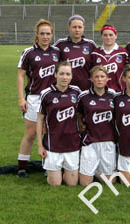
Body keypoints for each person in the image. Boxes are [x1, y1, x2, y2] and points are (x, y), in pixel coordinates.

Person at [16, 19, 61, 178]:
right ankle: (22, 166)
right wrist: (21, 99)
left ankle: (47, 166)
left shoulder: (57, 52)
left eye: (48, 33)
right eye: (42, 33)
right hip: (34, 98)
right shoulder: (29, 52)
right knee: (31, 134)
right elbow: (21, 75)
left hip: (52, 98)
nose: (45, 36)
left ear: (52, 34)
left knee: (49, 132)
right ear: (37, 34)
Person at [36, 61, 82, 186]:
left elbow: (81, 115)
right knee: (55, 184)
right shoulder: (46, 94)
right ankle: (53, 172)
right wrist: (40, 146)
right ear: (55, 74)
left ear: (72, 76)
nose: (65, 77)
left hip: (72, 143)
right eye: (61, 74)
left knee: (72, 184)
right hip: (53, 144)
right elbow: (40, 120)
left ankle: (62, 171)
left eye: (68, 74)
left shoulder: (77, 92)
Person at [77, 66, 118, 186]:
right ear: (91, 79)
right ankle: (90, 169)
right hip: (90, 141)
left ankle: (96, 170)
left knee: (111, 182)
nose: (99, 79)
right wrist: (81, 125)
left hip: (108, 141)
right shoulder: (83, 96)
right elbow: (78, 113)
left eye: (102, 77)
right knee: (85, 183)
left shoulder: (114, 96)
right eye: (96, 77)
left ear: (107, 79)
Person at [54, 15, 97, 91]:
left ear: (83, 28)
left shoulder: (91, 45)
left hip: (86, 89)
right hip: (65, 90)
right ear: (69, 28)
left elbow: (96, 67)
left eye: (80, 27)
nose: (77, 30)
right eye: (74, 27)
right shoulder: (60, 44)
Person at [91, 24, 129, 92]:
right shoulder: (95, 53)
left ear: (116, 36)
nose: (108, 37)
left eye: (111, 35)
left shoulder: (123, 52)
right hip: (100, 93)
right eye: (105, 35)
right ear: (102, 36)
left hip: (119, 92)